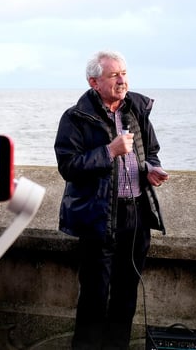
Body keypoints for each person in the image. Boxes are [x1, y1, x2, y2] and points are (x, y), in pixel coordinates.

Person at [54, 50, 169, 350]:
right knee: (94, 297)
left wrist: (150, 169)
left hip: (136, 215)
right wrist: (109, 151)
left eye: (124, 73)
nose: (122, 80)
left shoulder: (137, 110)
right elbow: (68, 167)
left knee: (126, 295)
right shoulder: (75, 117)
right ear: (94, 82)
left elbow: (152, 149)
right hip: (99, 217)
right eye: (113, 75)